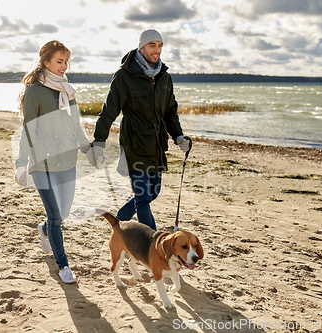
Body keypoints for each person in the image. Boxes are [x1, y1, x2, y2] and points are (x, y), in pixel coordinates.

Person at [88, 29, 191, 231]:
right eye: (152, 45)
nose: (157, 50)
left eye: (160, 45)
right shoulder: (124, 76)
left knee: (153, 192)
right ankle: (154, 244)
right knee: (143, 198)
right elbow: (108, 113)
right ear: (141, 47)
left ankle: (117, 222)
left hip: (157, 146)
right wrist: (98, 143)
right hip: (134, 144)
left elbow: (170, 111)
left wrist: (178, 135)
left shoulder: (164, 77)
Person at [14, 40, 90, 284]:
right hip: (42, 164)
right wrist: (21, 163)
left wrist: (89, 151)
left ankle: (45, 229)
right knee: (56, 215)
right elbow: (28, 130)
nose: (64, 67)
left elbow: (76, 127)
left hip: (67, 160)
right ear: (45, 62)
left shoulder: (68, 91)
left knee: (63, 213)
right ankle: (63, 266)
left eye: (66, 62)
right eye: (59, 61)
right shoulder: (34, 92)